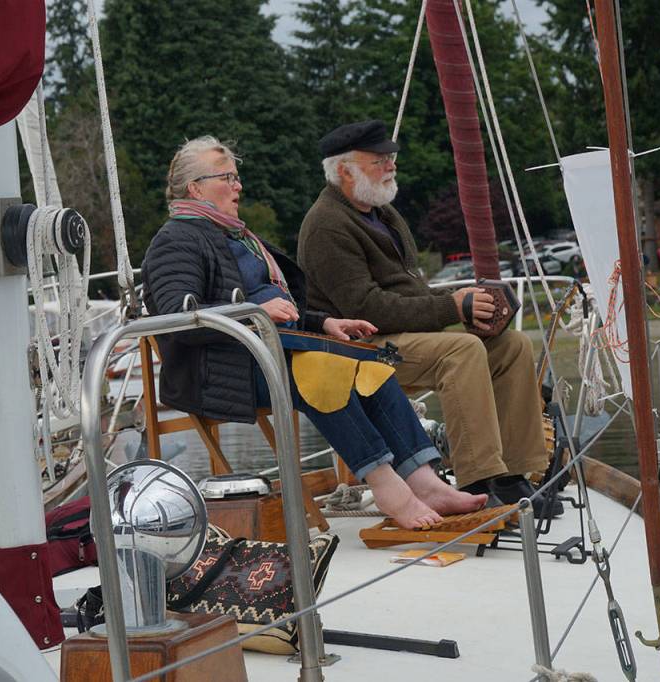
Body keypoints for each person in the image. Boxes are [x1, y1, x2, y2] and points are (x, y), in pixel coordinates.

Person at [142, 135, 486, 529]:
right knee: (324, 371)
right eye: (228, 177)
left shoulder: (231, 234)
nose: (239, 186)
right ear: (195, 188)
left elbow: (279, 309)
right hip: (221, 368)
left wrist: (323, 323)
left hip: (272, 352)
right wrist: (254, 312)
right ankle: (387, 486)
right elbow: (177, 315)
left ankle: (425, 482)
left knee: (369, 365)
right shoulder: (175, 240)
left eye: (237, 177)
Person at [297, 120, 558, 517]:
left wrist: (467, 302)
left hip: (395, 338)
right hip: (358, 349)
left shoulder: (382, 215)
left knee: (511, 345)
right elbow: (367, 308)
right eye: (379, 160)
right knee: (463, 350)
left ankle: (516, 473)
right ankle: (477, 478)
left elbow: (408, 291)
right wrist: (453, 307)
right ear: (345, 170)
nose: (391, 166)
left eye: (391, 158)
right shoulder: (325, 225)